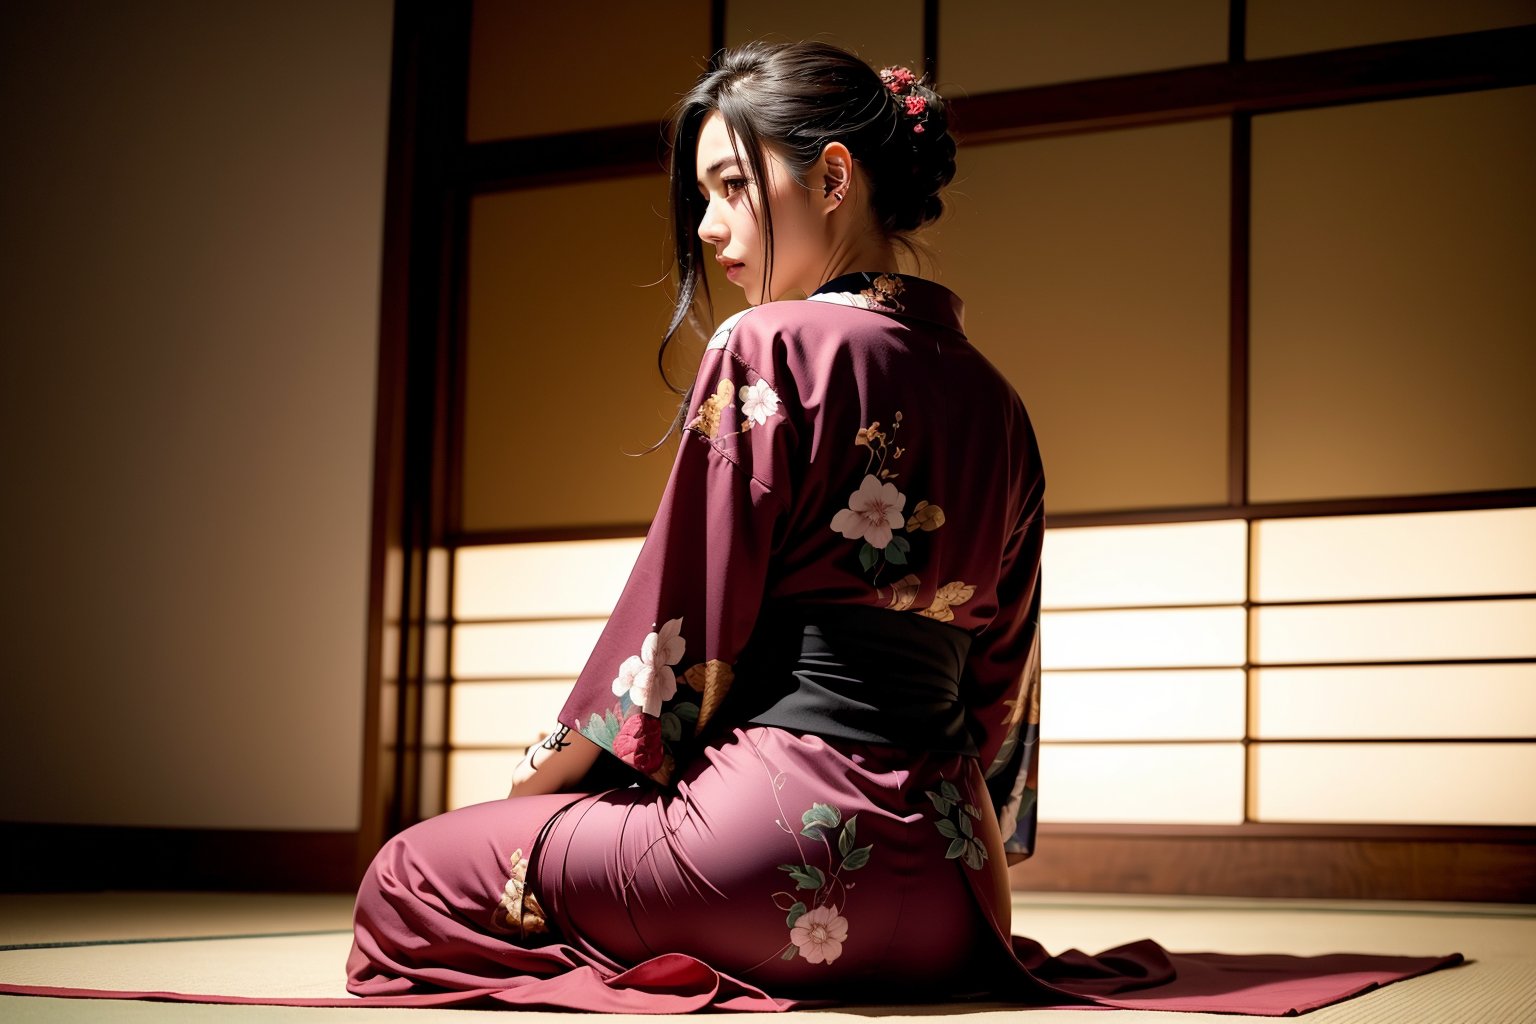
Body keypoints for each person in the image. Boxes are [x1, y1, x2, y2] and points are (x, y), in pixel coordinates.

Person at [339, 40, 1463, 1015]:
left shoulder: (768, 347)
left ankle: (666, 949)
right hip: (956, 893)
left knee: (409, 875)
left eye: (732, 185)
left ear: (832, 176)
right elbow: (999, 681)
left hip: (769, 860)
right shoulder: (999, 400)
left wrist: (534, 790)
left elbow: (670, 644)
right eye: (701, 197)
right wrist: (952, 837)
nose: (709, 227)